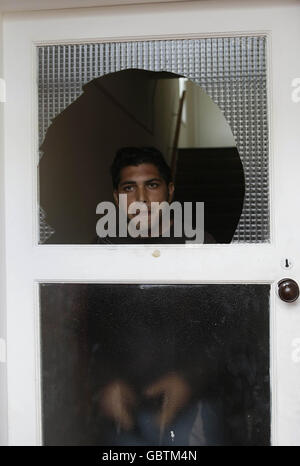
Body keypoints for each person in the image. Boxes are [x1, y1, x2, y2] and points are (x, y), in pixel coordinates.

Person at [96, 146, 216, 245]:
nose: (141, 198)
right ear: (117, 198)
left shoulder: (199, 243)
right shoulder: (105, 244)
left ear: (169, 191)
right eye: (129, 188)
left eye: (152, 185)